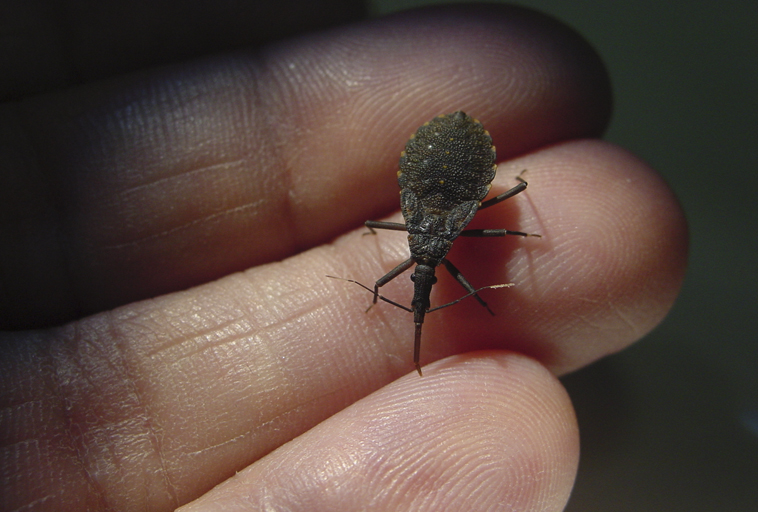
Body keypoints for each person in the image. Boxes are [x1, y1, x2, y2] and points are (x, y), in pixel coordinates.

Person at [0, 2, 687, 510]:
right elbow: (455, 259)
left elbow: (470, 248)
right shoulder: (430, 251)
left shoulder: (433, 246)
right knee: (467, 257)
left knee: (485, 247)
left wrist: (503, 229)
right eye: (417, 287)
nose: (418, 287)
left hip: (441, 190)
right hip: (444, 192)